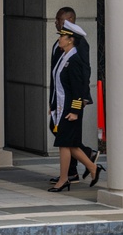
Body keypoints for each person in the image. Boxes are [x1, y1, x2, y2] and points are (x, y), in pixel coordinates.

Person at [48, 21, 102, 192]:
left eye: (62, 37)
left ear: (70, 39)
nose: (60, 40)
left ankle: (64, 179)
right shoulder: (64, 57)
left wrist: (75, 111)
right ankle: (92, 167)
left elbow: (78, 89)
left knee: (65, 143)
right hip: (61, 107)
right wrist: (53, 104)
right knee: (70, 144)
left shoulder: (75, 60)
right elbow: (58, 85)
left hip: (70, 109)